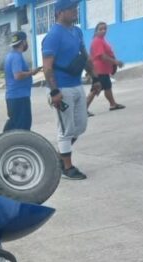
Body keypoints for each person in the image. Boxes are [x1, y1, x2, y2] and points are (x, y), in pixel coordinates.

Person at [42, 0, 100, 180]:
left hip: (76, 85)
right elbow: (47, 67)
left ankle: (61, 154)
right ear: (60, 12)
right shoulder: (53, 35)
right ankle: (66, 167)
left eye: (75, 8)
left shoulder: (77, 31)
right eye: (71, 9)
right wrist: (54, 92)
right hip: (62, 88)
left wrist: (95, 78)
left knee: (80, 125)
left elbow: (85, 57)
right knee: (66, 129)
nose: (75, 11)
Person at [4, 31, 42, 131]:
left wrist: (29, 72)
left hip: (14, 96)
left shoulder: (11, 55)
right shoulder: (16, 56)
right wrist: (31, 72)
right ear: (23, 42)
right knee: (23, 127)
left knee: (14, 124)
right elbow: (17, 75)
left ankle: (4, 143)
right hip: (19, 97)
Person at [86, 22, 126, 115]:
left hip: (104, 69)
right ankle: (84, 108)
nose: (103, 31)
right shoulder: (97, 41)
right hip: (99, 70)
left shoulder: (102, 40)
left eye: (105, 29)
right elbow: (102, 56)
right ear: (96, 31)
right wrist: (116, 62)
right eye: (100, 29)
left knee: (108, 87)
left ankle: (113, 104)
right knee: (95, 89)